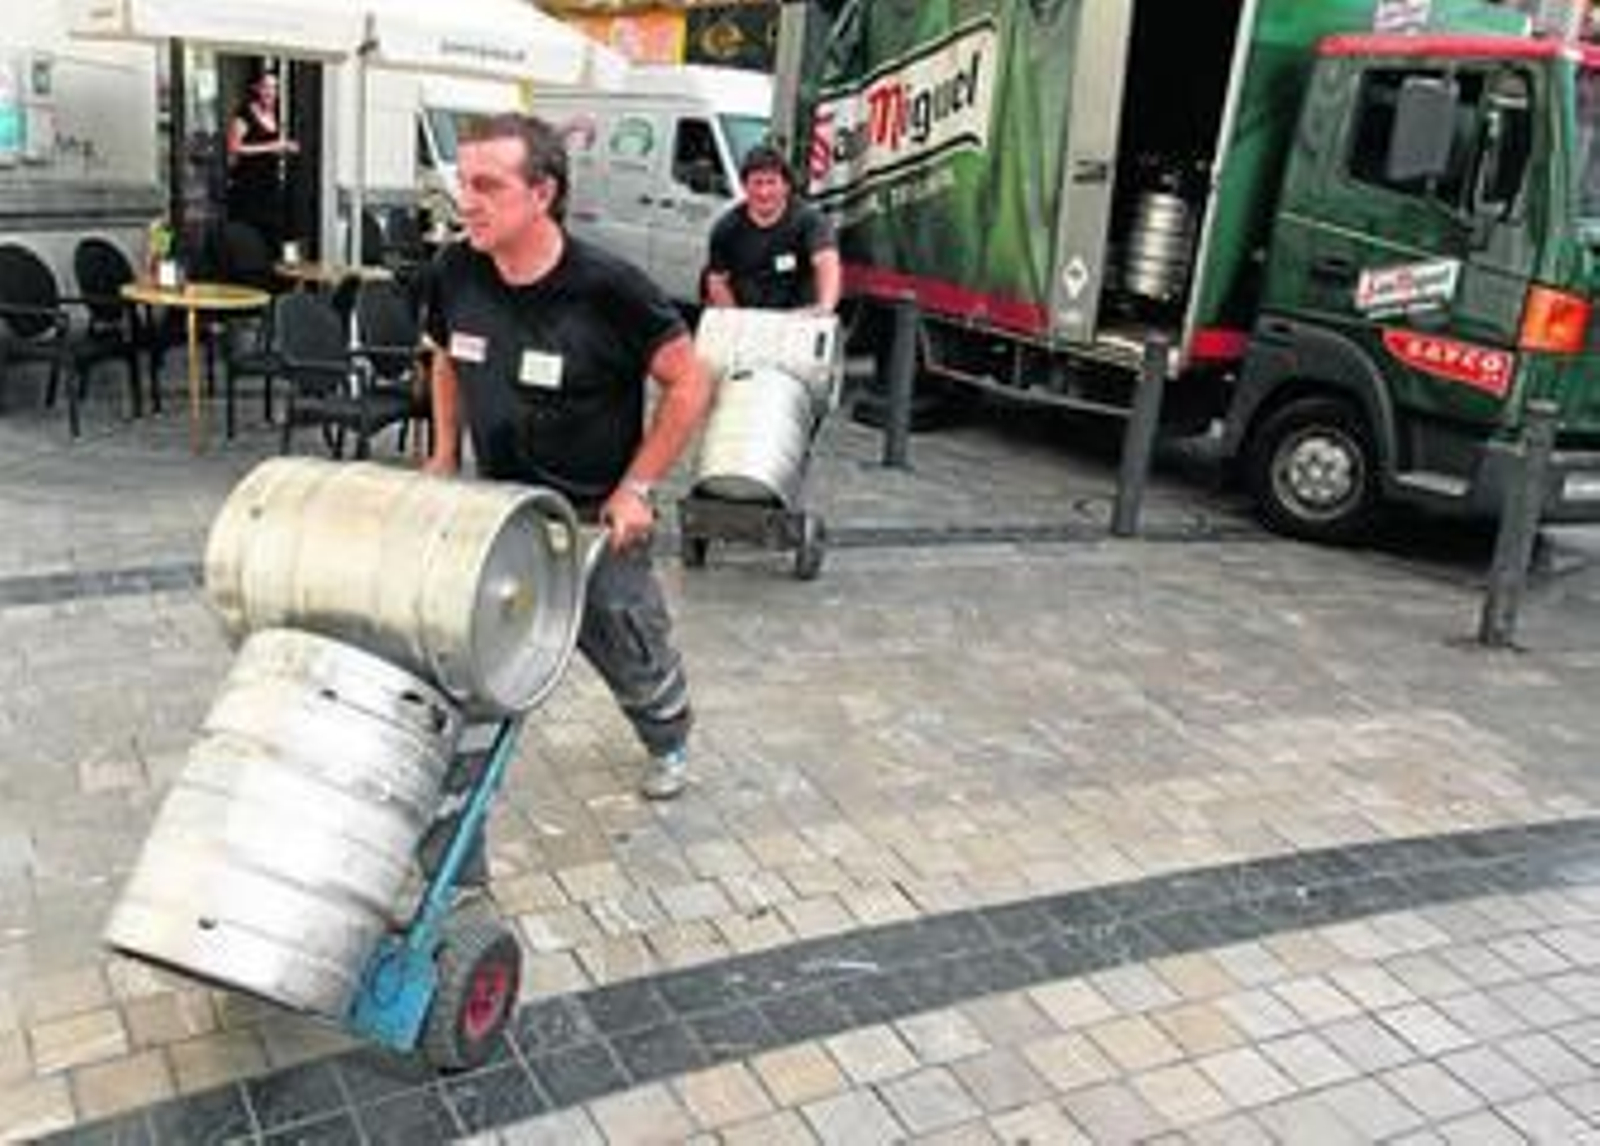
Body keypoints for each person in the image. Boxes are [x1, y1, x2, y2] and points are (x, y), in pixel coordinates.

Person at [423, 113, 712, 801]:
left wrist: (639, 487)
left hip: (594, 522)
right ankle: (461, 804)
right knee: (476, 657)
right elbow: (442, 354)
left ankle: (667, 736)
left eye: (489, 185)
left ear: (542, 193)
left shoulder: (609, 288)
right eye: (465, 183)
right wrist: (442, 453)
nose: (468, 201)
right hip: (502, 517)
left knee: (629, 646)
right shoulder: (454, 270)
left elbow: (690, 380)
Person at [705, 144, 841, 313]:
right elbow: (717, 280)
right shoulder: (726, 228)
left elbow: (826, 262)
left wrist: (825, 307)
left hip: (798, 320)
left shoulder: (810, 221)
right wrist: (735, 318)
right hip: (750, 320)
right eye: (757, 183)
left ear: (786, 186)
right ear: (745, 186)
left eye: (771, 182)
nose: (764, 192)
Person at [226, 70, 298, 251]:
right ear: (256, 89)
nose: (270, 92)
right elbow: (233, 147)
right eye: (266, 87)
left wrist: (285, 149)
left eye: (274, 87)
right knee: (250, 240)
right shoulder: (244, 114)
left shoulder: (276, 115)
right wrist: (272, 146)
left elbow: (271, 147)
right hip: (248, 189)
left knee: (273, 237)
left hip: (270, 187)